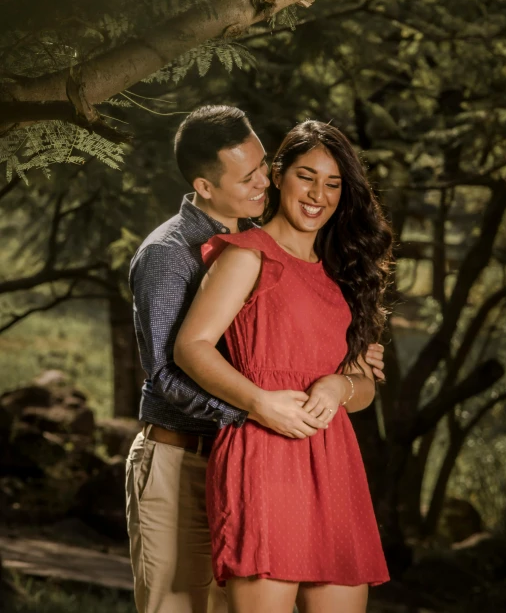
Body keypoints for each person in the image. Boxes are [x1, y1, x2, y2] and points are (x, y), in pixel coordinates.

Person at [126, 107, 386, 613]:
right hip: (192, 454)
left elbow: (351, 374)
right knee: (175, 606)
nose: (263, 181)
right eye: (254, 176)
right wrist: (256, 408)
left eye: (263, 167)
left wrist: (339, 378)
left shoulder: (328, 264)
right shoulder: (176, 253)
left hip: (308, 456)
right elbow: (170, 368)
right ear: (205, 185)